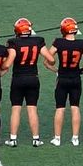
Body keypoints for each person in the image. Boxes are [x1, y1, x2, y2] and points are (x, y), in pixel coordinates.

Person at [6, 18, 50, 147]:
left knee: (16, 109)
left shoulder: (13, 42)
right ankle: (36, 139)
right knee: (32, 109)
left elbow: (8, 63)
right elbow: (50, 59)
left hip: (18, 78)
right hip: (33, 78)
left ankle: (13, 139)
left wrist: (1, 66)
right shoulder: (37, 41)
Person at [49, 18, 83, 147]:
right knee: (75, 107)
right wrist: (81, 71)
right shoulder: (81, 43)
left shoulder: (59, 42)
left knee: (60, 108)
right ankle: (75, 138)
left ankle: (57, 138)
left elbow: (48, 58)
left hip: (62, 78)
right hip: (75, 78)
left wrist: (54, 69)